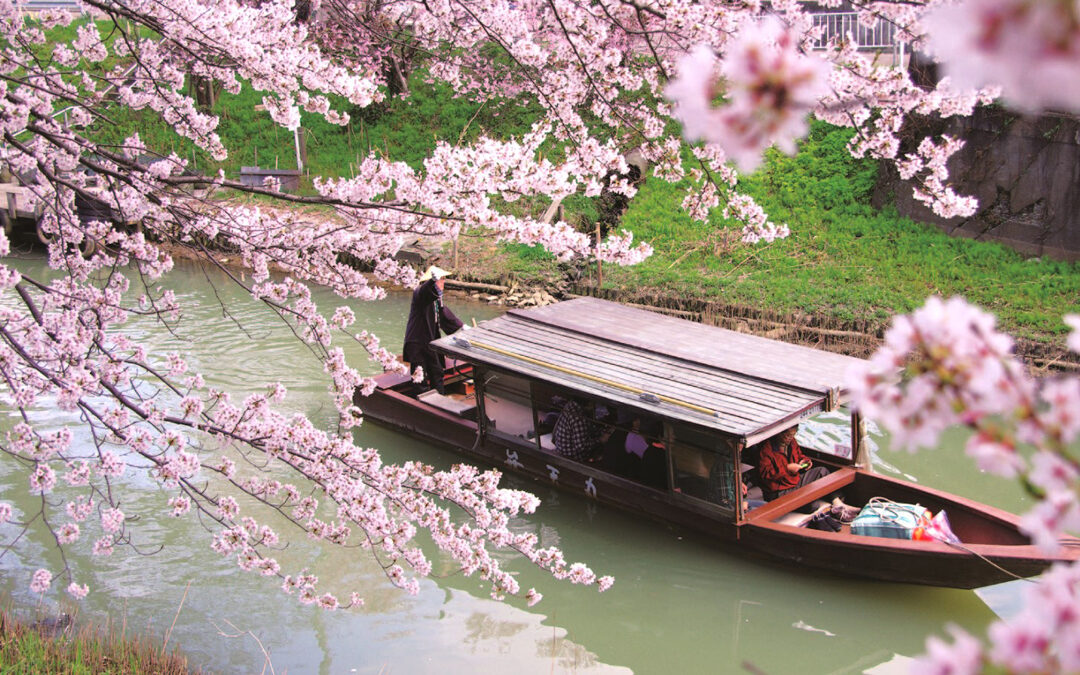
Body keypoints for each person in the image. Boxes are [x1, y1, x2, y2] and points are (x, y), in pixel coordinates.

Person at [403, 265, 463, 394]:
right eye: (441, 279)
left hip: (431, 341)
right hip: (417, 342)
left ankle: (440, 398)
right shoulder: (420, 293)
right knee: (420, 377)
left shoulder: (437, 299)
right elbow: (425, 291)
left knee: (437, 372)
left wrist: (461, 326)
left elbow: (443, 313)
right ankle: (422, 404)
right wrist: (431, 282)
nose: (443, 282)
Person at [756, 426, 830, 500]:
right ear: (779, 433)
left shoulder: (792, 442)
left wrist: (805, 460)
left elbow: (799, 455)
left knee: (822, 471)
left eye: (793, 435)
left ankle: (836, 502)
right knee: (812, 505)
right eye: (788, 435)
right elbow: (765, 474)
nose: (790, 438)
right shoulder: (766, 450)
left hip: (795, 480)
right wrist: (787, 468)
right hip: (779, 491)